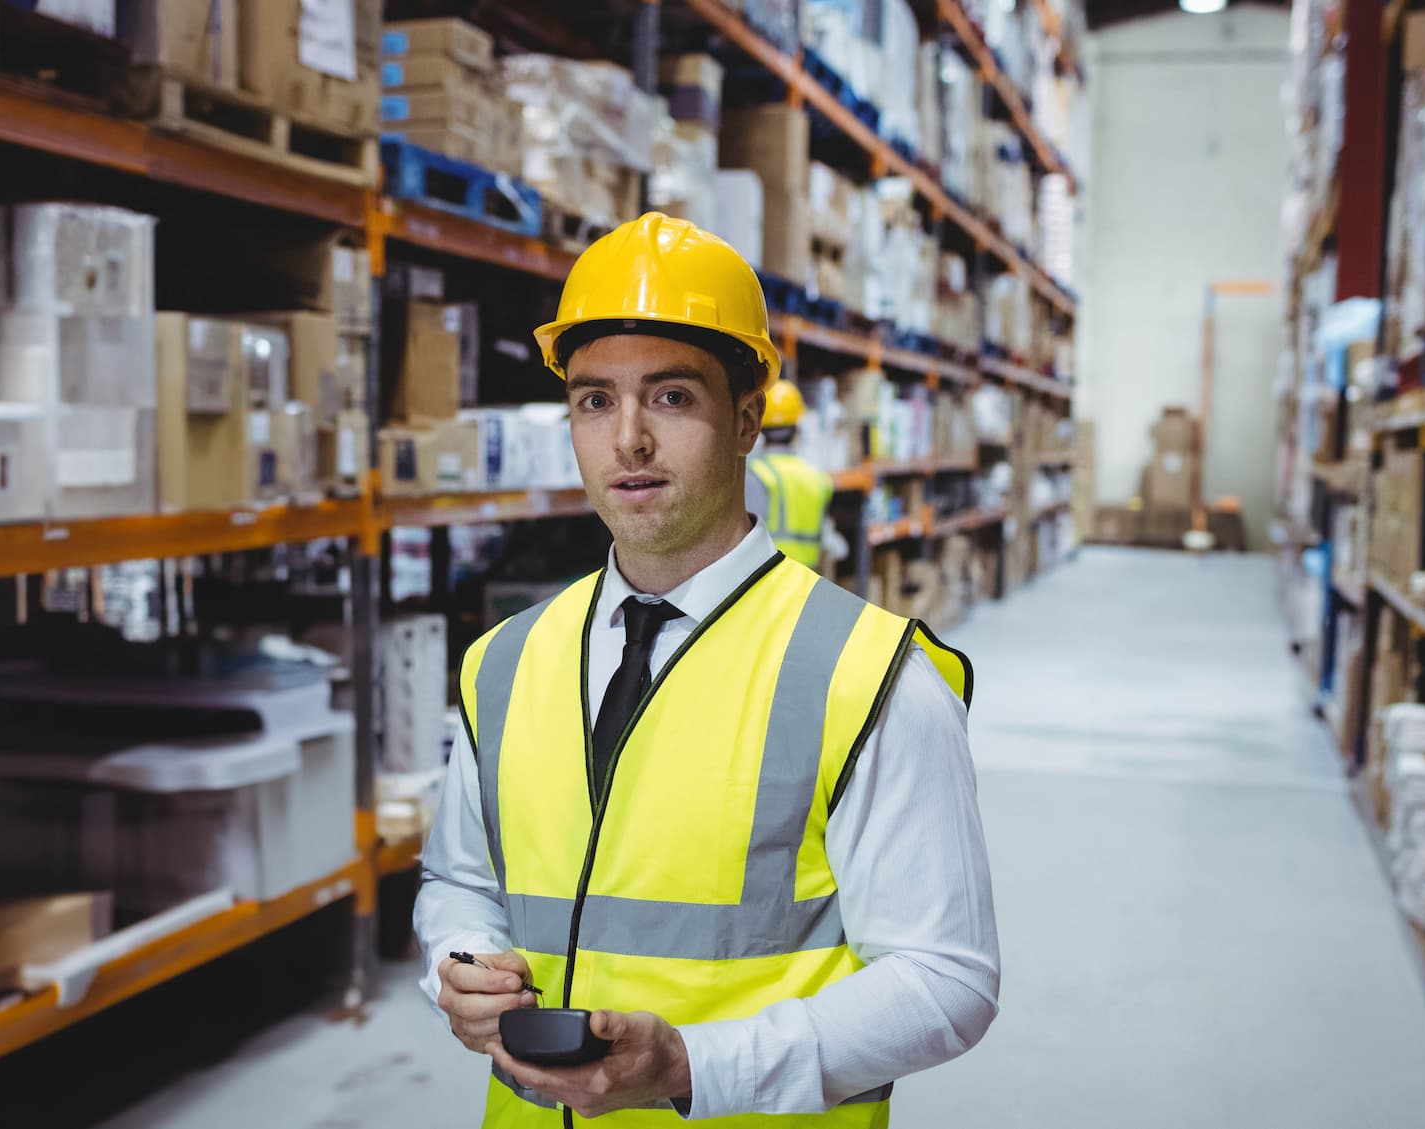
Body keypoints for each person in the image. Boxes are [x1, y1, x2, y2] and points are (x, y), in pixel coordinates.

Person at [415, 213, 998, 1127]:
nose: (629, 440)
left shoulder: (869, 678)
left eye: (673, 397)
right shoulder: (504, 663)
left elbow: (947, 978)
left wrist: (692, 1066)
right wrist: (459, 959)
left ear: (747, 420)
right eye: (595, 400)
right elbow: (459, 878)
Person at [743, 379, 837, 569]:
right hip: (808, 577)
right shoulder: (818, 478)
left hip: (768, 579)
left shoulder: (757, 476)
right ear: (798, 428)